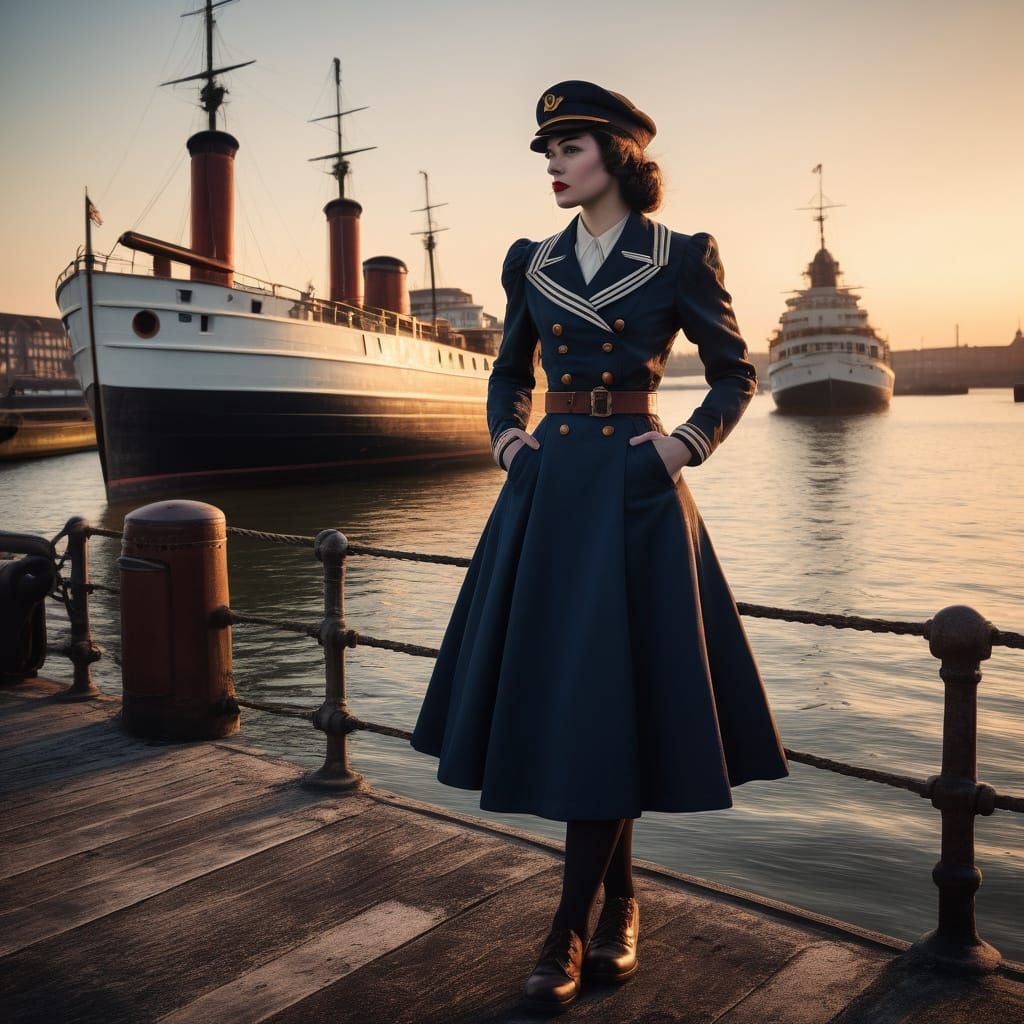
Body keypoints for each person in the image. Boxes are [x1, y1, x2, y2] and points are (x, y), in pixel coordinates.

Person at [410, 80, 788, 1013]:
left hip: (634, 495)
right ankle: (619, 901)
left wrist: (678, 448)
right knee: (582, 699)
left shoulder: (678, 255)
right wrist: (509, 442)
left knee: (612, 695)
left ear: (618, 156)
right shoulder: (531, 262)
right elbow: (509, 372)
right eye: (547, 152)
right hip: (548, 494)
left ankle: (568, 930)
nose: (553, 164)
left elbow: (735, 374)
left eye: (569, 148)